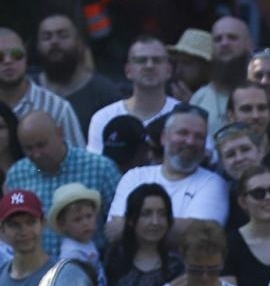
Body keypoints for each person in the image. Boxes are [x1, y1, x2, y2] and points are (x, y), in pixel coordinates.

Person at [5, 110, 121, 259]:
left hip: (92, 268)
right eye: (28, 148)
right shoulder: (17, 175)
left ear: (59, 133)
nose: (36, 154)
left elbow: (118, 223)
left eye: (41, 145)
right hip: (36, 273)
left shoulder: (100, 168)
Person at [106, 106, 228, 237]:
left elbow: (201, 235)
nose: (190, 141)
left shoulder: (213, 183)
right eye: (183, 133)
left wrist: (130, 225)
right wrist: (179, 227)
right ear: (164, 137)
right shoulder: (135, 177)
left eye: (199, 136)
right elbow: (113, 231)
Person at [102, 184, 182, 286]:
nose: (155, 222)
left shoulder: (176, 266)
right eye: (146, 214)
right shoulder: (111, 257)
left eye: (162, 214)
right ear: (131, 219)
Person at [85, 36, 178, 155]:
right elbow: (97, 169)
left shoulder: (186, 116)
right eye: (141, 60)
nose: (149, 65)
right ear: (128, 70)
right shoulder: (103, 118)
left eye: (157, 60)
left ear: (169, 70)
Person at [33, 12, 122, 133]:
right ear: (38, 45)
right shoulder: (27, 90)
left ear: (79, 43)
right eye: (47, 37)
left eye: (63, 35)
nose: (54, 42)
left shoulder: (104, 93)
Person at [0, 28, 84, 147]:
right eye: (0, 57)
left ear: (26, 56)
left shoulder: (58, 108)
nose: (8, 61)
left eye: (16, 54)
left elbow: (79, 161)